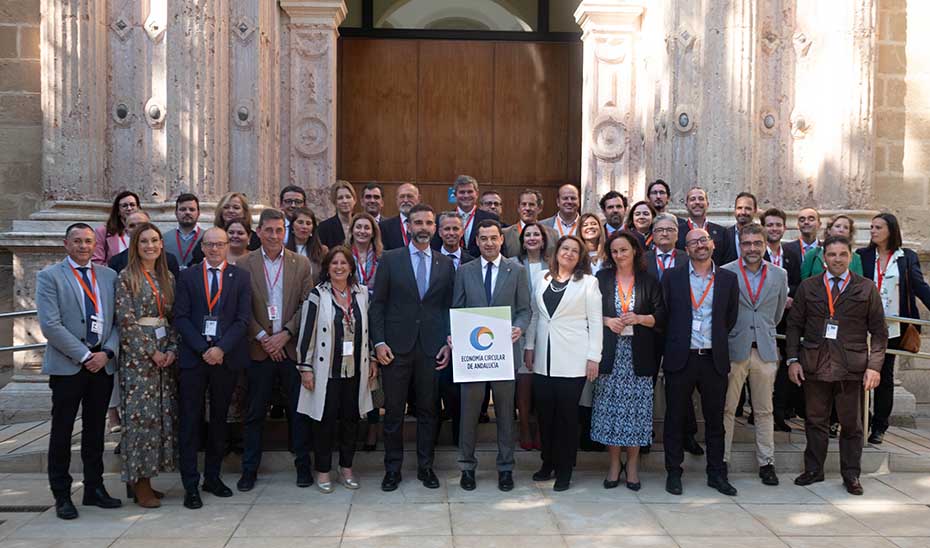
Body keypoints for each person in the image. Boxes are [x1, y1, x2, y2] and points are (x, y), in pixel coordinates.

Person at [787, 236, 888, 495]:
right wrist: (792, 360)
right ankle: (814, 470)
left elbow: (879, 331)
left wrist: (874, 367)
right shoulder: (808, 287)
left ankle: (851, 474)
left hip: (851, 368)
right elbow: (794, 326)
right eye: (832, 254)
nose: (837, 259)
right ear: (823, 258)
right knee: (815, 420)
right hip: (815, 364)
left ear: (850, 257)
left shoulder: (865, 288)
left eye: (843, 254)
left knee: (852, 424)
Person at [38, 223, 122, 520]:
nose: (84, 246)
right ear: (66, 244)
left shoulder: (109, 276)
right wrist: (86, 355)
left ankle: (94, 488)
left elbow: (116, 322)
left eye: (88, 241)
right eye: (77, 241)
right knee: (62, 432)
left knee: (95, 431)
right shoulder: (49, 277)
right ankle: (61, 494)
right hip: (68, 367)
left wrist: (107, 353)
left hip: (102, 365)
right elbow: (51, 325)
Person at [370, 203, 455, 491]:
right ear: (408, 226)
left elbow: (447, 307)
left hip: (431, 349)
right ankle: (392, 469)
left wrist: (448, 341)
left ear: (435, 228)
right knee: (393, 412)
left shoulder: (445, 264)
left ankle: (426, 467)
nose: (423, 228)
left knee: (429, 412)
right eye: (417, 223)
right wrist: (378, 342)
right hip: (395, 349)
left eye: (429, 223)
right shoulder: (391, 259)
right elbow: (377, 304)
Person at [174, 227, 252, 509]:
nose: (215, 249)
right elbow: (180, 317)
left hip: (225, 358)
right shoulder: (187, 276)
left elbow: (243, 320)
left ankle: (213, 477)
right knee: (191, 421)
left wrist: (220, 349)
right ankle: (190, 484)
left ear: (227, 246)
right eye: (210, 244)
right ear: (202, 247)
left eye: (220, 244)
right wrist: (203, 349)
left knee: (219, 420)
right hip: (195, 360)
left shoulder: (240, 277)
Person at [237, 208, 315, 492]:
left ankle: (303, 466)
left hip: (291, 348)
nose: (273, 235)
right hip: (259, 350)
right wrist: (262, 337)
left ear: (286, 232)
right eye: (268, 230)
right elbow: (241, 307)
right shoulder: (244, 264)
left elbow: (307, 304)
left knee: (298, 412)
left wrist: (285, 335)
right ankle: (249, 470)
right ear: (258, 232)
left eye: (278, 230)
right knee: (255, 413)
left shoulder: (301, 264)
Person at [453, 219, 530, 492]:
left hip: (505, 354)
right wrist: (454, 334)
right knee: (469, 413)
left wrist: (519, 328)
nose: (488, 242)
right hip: (472, 357)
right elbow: (457, 308)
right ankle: (467, 467)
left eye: (493, 238)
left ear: (501, 240)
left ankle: (506, 468)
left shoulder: (517, 270)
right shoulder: (464, 271)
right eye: (483, 238)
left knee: (506, 415)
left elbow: (524, 309)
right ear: (476, 241)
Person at [662, 228, 739, 496]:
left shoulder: (729, 279)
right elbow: (665, 315)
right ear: (686, 248)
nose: (700, 245)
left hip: (712, 359)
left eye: (703, 240)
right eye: (693, 242)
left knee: (715, 421)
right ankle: (673, 472)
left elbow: (729, 318)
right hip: (681, 358)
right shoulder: (672, 277)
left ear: (713, 244)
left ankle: (716, 473)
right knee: (674, 419)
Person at [524, 235, 602, 491]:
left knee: (567, 418)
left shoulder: (588, 283)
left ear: (580, 257)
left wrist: (594, 357)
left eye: (574, 251)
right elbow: (536, 315)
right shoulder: (542, 278)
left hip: (573, 360)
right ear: (556, 252)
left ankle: (566, 469)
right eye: (565, 248)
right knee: (545, 416)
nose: (568, 253)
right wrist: (529, 346)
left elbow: (596, 322)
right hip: (542, 361)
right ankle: (548, 463)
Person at [295, 246, 376, 492]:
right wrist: (305, 368)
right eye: (334, 263)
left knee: (351, 420)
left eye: (343, 263)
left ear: (351, 267)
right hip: (326, 372)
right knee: (324, 422)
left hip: (356, 371)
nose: (339, 267)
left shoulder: (362, 293)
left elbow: (370, 330)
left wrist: (372, 358)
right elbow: (306, 334)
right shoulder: (317, 295)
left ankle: (347, 467)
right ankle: (322, 470)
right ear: (327, 268)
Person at [593, 231, 665, 491]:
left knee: (637, 415)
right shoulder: (601, 279)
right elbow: (587, 312)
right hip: (610, 355)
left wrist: (640, 318)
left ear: (635, 250)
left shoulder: (649, 280)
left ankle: (632, 466)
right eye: (614, 251)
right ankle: (614, 465)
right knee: (611, 414)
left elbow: (661, 316)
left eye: (623, 250)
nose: (619, 255)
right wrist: (606, 321)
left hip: (639, 356)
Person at [115, 222, 179, 508]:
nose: (150, 246)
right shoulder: (126, 277)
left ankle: (149, 479)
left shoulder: (167, 278)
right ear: (135, 246)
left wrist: (171, 349)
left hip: (165, 356)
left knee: (159, 419)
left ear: (161, 244)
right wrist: (151, 351)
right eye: (144, 242)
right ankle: (138, 482)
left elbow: (174, 318)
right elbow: (126, 323)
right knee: (141, 420)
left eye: (154, 240)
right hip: (139, 360)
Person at [721, 224, 787, 486]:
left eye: (756, 243)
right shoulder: (726, 272)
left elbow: (778, 312)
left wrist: (763, 331)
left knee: (763, 410)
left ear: (764, 244)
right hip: (735, 349)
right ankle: (722, 459)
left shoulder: (779, 275)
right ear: (740, 244)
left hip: (765, 350)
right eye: (746, 243)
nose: (752, 248)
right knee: (727, 409)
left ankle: (766, 462)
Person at [858, 213, 930, 444]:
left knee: (883, 376)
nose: (873, 231)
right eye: (871, 227)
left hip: (892, 328)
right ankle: (860, 419)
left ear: (891, 230)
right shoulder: (863, 256)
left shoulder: (906, 257)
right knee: (858, 373)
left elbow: (919, 286)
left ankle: (879, 426)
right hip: (863, 326)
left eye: (878, 227)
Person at [762, 208, 803, 433]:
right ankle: (760, 411)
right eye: (770, 225)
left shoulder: (791, 253)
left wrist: (790, 296)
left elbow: (798, 282)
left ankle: (779, 411)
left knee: (788, 361)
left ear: (784, 228)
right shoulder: (757, 252)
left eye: (778, 225)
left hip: (788, 318)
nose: (774, 229)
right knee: (763, 365)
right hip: (765, 318)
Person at [516, 222, 549, 450]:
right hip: (519, 331)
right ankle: (525, 428)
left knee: (542, 384)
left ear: (543, 239)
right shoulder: (513, 264)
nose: (532, 238)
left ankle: (540, 428)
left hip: (546, 331)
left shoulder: (553, 266)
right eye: (527, 235)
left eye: (536, 234)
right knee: (524, 382)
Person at [431, 175, 499, 258]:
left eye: (470, 192)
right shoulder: (441, 219)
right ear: (455, 194)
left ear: (477, 193)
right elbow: (435, 247)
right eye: (462, 192)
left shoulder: (491, 218)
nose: (466, 196)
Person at [108, 210, 180, 278]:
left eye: (142, 225)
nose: (137, 229)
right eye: (132, 226)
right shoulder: (116, 262)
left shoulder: (169, 260)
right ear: (126, 232)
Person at [801, 214, 863, 279]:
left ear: (850, 233)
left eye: (846, 227)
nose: (841, 230)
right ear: (829, 230)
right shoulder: (812, 254)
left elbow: (859, 283)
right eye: (837, 226)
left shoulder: (856, 258)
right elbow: (804, 282)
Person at [502, 189, 558, 258]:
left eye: (531, 204)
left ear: (540, 208)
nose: (527, 208)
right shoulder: (506, 234)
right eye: (524, 204)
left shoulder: (553, 234)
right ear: (518, 208)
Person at [677, 187, 726, 263]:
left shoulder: (721, 232)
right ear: (686, 206)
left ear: (707, 204)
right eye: (693, 199)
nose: (697, 202)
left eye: (701, 199)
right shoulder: (677, 232)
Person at [93, 190, 140, 265]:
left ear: (138, 208)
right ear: (118, 210)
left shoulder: (146, 230)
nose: (129, 208)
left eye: (132, 205)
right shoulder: (102, 231)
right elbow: (97, 262)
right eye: (124, 205)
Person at [285, 207, 328, 285]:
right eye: (300, 222)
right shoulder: (283, 250)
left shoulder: (322, 251)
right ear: (292, 226)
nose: (304, 227)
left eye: (308, 223)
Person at [163, 193, 203, 269]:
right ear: (176, 213)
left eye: (192, 209)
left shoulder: (206, 237)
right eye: (182, 209)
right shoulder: (164, 238)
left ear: (198, 213)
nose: (187, 212)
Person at [347, 212, 382, 295]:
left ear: (373, 233)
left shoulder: (383, 258)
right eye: (358, 227)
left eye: (367, 228)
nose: (362, 231)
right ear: (352, 231)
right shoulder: (343, 256)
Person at [720, 192, 758, 264]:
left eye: (748, 208)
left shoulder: (763, 236)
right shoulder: (725, 236)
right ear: (735, 210)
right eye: (739, 208)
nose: (743, 212)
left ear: (755, 210)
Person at [380, 182, 420, 250]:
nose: (405, 200)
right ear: (396, 200)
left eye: (410, 196)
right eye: (402, 197)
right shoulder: (384, 227)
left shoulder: (428, 224)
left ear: (418, 198)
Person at [318, 180, 358, 249]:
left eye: (348, 197)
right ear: (334, 202)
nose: (345, 201)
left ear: (354, 200)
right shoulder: (324, 227)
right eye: (340, 198)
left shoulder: (362, 224)